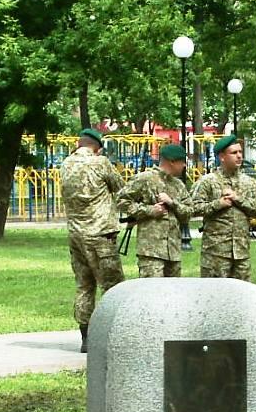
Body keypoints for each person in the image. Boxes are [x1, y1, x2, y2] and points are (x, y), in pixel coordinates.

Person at [60, 128, 126, 352]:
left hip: (75, 234)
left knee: (84, 286)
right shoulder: (101, 163)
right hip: (100, 235)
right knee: (113, 286)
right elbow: (121, 188)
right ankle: (113, 335)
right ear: (97, 147)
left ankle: (86, 337)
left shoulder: (66, 164)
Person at [190, 134, 256, 280]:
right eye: (234, 153)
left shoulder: (249, 182)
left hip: (241, 251)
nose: (239, 156)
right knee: (214, 295)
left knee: (242, 296)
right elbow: (193, 208)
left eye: (240, 152)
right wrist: (218, 204)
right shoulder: (208, 181)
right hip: (216, 252)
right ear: (222, 157)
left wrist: (238, 199)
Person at [118, 143, 192, 278]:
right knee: (150, 294)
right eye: (182, 162)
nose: (184, 166)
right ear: (172, 162)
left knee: (173, 294)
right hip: (151, 252)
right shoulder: (145, 179)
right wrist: (149, 210)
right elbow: (122, 201)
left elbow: (188, 213)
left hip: (173, 252)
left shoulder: (178, 185)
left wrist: (172, 203)